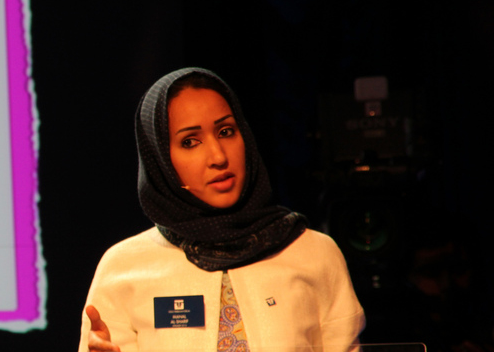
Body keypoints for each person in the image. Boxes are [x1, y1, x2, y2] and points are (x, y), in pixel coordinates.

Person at [79, 67, 364, 352]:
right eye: (190, 142)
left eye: (226, 131)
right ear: (161, 162)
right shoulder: (124, 266)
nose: (218, 156)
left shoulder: (314, 253)